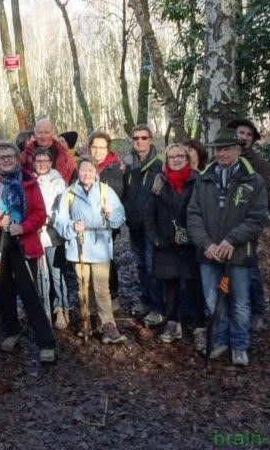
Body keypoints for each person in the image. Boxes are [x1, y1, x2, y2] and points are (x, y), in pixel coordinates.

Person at [187, 128, 269, 367]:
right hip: (209, 252)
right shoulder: (204, 179)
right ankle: (220, 340)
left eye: (226, 148)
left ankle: (240, 345)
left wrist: (231, 240)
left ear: (237, 150)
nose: (221, 153)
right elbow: (193, 215)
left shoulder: (253, 180)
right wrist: (207, 244)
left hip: (239, 252)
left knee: (241, 301)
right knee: (213, 299)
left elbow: (256, 218)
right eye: (218, 149)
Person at [0, 141, 57, 363]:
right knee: (3, 291)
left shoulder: (29, 182)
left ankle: (46, 342)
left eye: (10, 156)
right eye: (1, 157)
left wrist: (23, 226)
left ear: (17, 157)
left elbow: (39, 214)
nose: (6, 160)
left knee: (29, 291)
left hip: (23, 240)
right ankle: (11, 331)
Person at [53, 156, 127, 344]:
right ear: (78, 171)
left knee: (101, 287)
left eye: (90, 170)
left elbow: (120, 216)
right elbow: (60, 220)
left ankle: (108, 324)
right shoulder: (69, 193)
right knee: (83, 286)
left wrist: (111, 213)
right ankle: (88, 319)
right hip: (79, 244)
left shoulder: (105, 191)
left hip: (100, 245)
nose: (86, 173)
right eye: (83, 169)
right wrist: (72, 227)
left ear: (96, 172)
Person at [144, 144, 205, 350]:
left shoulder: (198, 180)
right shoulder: (159, 182)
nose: (176, 160)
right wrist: (156, 240)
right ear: (166, 160)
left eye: (180, 156)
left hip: (192, 244)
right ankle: (173, 323)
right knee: (170, 286)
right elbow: (149, 216)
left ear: (187, 158)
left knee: (194, 287)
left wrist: (200, 238)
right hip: (166, 244)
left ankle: (199, 328)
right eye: (172, 157)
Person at [227, 118, 270, 332]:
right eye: (241, 133)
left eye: (248, 135)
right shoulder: (224, 158)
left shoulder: (259, 164)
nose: (243, 137)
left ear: (252, 140)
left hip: (247, 226)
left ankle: (257, 311)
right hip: (224, 226)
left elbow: (266, 197)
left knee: (251, 269)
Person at [121, 123, 166, 326]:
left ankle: (159, 308)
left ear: (151, 140)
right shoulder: (129, 165)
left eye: (143, 138)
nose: (139, 141)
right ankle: (146, 300)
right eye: (136, 138)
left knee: (152, 267)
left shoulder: (160, 165)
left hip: (152, 226)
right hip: (134, 224)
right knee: (140, 266)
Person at [88, 131, 126, 312]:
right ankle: (94, 297)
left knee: (106, 259)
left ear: (108, 149)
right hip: (88, 224)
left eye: (102, 147)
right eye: (95, 147)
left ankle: (112, 295)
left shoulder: (113, 169)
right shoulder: (86, 166)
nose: (98, 151)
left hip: (107, 222)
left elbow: (116, 196)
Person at [33, 147, 69, 329]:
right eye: (38, 161)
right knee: (40, 273)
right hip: (36, 235)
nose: (42, 164)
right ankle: (43, 308)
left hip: (53, 233)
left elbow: (62, 206)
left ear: (51, 162)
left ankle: (60, 308)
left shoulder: (58, 181)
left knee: (56, 272)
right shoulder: (30, 181)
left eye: (45, 160)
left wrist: (49, 217)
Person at [19, 118, 75, 183]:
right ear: (35, 134)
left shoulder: (63, 154)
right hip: (34, 191)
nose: (43, 136)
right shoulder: (25, 155)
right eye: (40, 132)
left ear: (52, 133)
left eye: (46, 132)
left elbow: (73, 176)